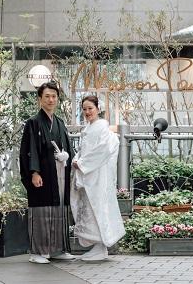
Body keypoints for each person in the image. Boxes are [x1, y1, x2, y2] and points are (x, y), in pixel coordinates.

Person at [19, 81, 75, 264]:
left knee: (59, 210)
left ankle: (58, 249)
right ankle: (37, 251)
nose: (51, 100)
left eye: (54, 96)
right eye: (47, 96)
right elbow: (30, 150)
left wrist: (66, 155)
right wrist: (34, 172)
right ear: (40, 99)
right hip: (43, 173)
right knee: (41, 211)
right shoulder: (33, 123)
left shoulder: (59, 122)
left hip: (60, 174)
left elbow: (68, 148)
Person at [71, 95, 125, 262]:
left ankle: (101, 247)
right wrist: (76, 159)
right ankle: (97, 246)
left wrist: (82, 163)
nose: (87, 112)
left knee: (98, 209)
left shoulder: (102, 128)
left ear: (98, 109)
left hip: (97, 176)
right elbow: (83, 150)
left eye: (90, 108)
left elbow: (103, 150)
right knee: (88, 209)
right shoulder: (88, 128)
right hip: (89, 175)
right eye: (85, 109)